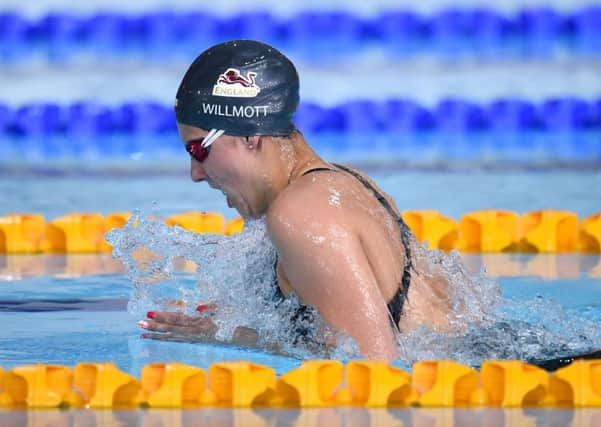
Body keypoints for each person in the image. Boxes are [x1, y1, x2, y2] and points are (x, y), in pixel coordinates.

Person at [137, 40, 601, 367]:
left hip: (504, 385)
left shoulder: (301, 214)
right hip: (517, 364)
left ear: (249, 132)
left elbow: (373, 373)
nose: (196, 173)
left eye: (198, 149)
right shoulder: (343, 183)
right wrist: (234, 331)